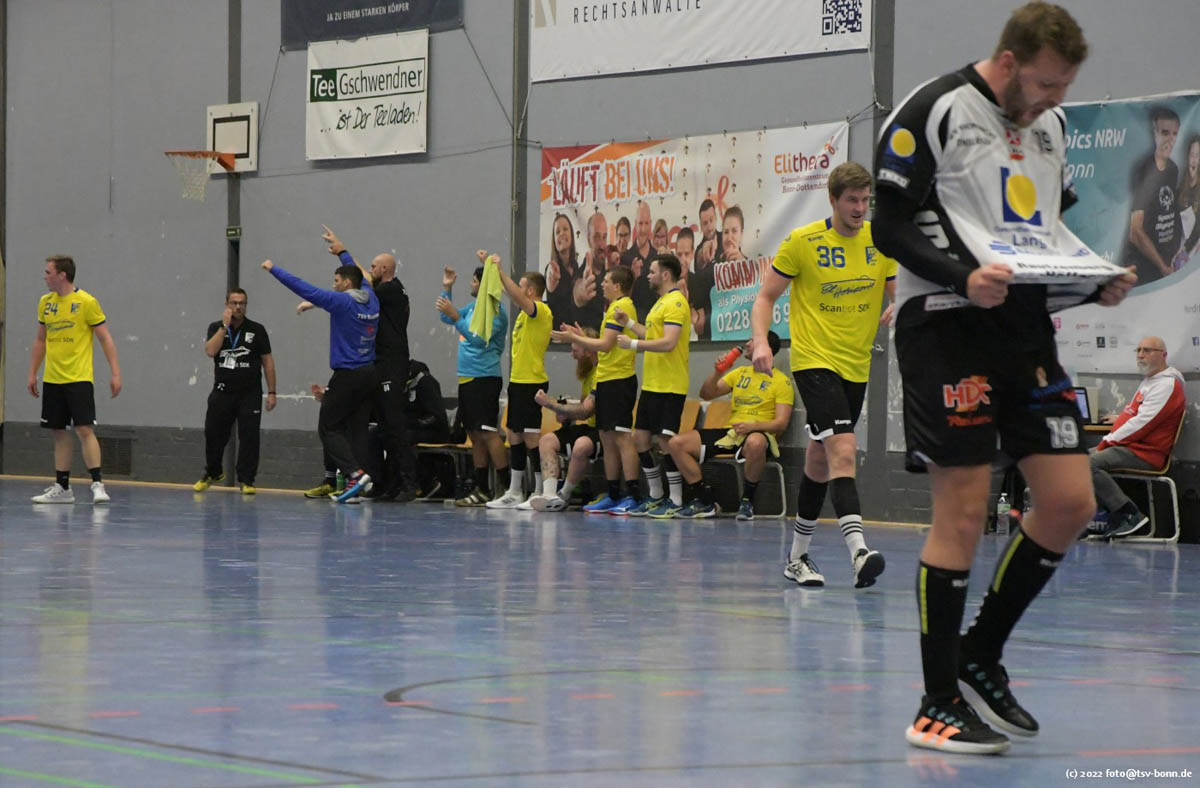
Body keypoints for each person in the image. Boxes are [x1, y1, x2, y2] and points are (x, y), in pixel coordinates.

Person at [869, 2, 1137, 754]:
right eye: (1047, 84)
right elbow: (889, 224)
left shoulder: (1051, 127)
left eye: (1065, 87)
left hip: (1023, 330)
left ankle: (980, 654)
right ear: (1011, 63)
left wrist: (1091, 278)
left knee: (1070, 501)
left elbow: (1042, 232)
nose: (1054, 99)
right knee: (961, 510)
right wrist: (961, 275)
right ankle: (934, 703)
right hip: (946, 324)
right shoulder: (936, 107)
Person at [749, 162, 894, 591]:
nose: (860, 208)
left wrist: (902, 304)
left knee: (818, 459)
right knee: (843, 450)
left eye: (865, 200)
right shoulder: (803, 242)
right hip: (814, 361)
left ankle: (797, 558)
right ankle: (859, 552)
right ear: (833, 199)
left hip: (856, 365)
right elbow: (765, 297)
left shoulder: (880, 242)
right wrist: (760, 342)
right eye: (852, 200)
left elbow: (899, 291)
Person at [261, 257, 379, 503]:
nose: (333, 285)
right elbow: (362, 277)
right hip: (369, 374)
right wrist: (341, 252)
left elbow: (304, 288)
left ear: (347, 283)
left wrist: (274, 269)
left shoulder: (342, 301)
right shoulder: (371, 297)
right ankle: (360, 485)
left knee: (328, 428)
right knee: (356, 429)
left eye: (336, 281)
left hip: (347, 375)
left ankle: (355, 475)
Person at [322, 226, 419, 501]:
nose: (371, 269)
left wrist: (343, 251)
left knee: (395, 425)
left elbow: (362, 280)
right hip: (377, 366)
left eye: (375, 266)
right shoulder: (383, 292)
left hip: (392, 365)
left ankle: (410, 484)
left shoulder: (391, 290)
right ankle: (385, 482)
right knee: (381, 428)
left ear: (385, 269)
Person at [662, 331, 792, 520]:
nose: (747, 344)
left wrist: (753, 426)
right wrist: (717, 372)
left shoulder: (781, 381)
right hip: (732, 432)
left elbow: (781, 423)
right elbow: (706, 394)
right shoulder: (740, 373)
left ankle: (747, 501)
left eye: (752, 341)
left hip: (758, 433)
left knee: (755, 442)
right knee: (676, 443)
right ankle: (704, 500)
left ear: (766, 348)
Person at [28, 255, 122, 504]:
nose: (44, 277)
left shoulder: (86, 302)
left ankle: (98, 484)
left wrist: (115, 373)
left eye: (48, 272)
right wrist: (32, 372)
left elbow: (105, 338)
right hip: (53, 378)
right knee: (59, 431)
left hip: (79, 377)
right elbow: (40, 340)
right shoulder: (45, 303)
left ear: (62, 275)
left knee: (84, 429)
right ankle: (63, 487)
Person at [551, 266, 641, 514]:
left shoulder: (621, 306)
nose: (602, 284)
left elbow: (605, 345)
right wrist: (580, 336)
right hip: (606, 379)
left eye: (607, 281)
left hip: (620, 380)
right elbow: (604, 346)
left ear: (618, 286)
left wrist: (575, 339)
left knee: (622, 438)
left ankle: (633, 495)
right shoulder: (611, 308)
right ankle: (613, 494)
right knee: (607, 438)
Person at [614, 254, 690, 516]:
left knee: (666, 441)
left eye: (652, 271)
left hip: (670, 384)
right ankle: (656, 494)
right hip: (652, 384)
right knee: (641, 438)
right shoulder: (660, 303)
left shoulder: (676, 302)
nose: (647, 275)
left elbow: (669, 342)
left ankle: (676, 499)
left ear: (665, 275)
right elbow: (652, 334)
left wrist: (633, 344)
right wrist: (628, 324)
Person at [1087, 336, 1186, 539]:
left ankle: (1129, 514)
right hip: (1133, 447)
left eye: (1147, 350)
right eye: (1139, 350)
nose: (1140, 355)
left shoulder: (1166, 385)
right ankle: (1104, 516)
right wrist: (1119, 418)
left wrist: (1107, 441)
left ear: (1163, 355)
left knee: (1087, 463)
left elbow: (1142, 424)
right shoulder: (1151, 380)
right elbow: (1138, 414)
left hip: (1146, 453)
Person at [484, 253, 553, 509]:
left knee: (531, 437)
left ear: (531, 291)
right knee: (514, 435)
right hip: (517, 381)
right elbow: (508, 291)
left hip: (532, 382)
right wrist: (491, 270)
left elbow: (514, 294)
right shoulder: (524, 315)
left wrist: (502, 270)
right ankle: (514, 491)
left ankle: (538, 490)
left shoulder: (540, 310)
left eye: (522, 287)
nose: (517, 291)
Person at [437, 262, 510, 506]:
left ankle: (505, 488)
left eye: (475, 281)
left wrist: (457, 316)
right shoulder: (475, 307)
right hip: (467, 377)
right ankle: (482, 489)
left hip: (485, 378)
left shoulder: (496, 312)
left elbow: (478, 339)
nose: (472, 284)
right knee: (474, 434)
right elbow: (446, 316)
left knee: (488, 432)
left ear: (485, 284)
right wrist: (447, 288)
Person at [193, 288, 277, 495]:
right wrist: (224, 326)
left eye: (242, 303)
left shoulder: (257, 330)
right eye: (234, 303)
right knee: (212, 433)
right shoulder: (216, 327)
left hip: (249, 393)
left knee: (249, 437)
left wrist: (272, 392)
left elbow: (267, 361)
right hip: (222, 391)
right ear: (227, 304)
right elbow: (210, 351)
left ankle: (247, 480)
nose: (238, 307)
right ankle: (213, 472)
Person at [527, 329, 601, 512]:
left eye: (575, 350)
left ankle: (564, 495)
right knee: (547, 441)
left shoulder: (601, 373)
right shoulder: (589, 373)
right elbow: (584, 408)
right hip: (589, 426)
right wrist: (566, 413)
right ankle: (549, 494)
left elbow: (585, 412)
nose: (572, 355)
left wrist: (550, 404)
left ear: (588, 351)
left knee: (581, 445)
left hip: (603, 430)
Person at [1122, 107, 1182, 284]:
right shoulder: (1144, 171)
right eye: (1165, 133)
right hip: (1140, 268)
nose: (1170, 140)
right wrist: (1162, 266)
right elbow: (1135, 232)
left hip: (1164, 267)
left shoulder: (1173, 169)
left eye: (1174, 134)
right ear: (1154, 133)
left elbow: (1169, 213)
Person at [544, 213, 583, 331]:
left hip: (575, 334)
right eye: (557, 232)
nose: (562, 233)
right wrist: (551, 281)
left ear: (571, 234)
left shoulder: (576, 267)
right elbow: (550, 281)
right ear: (554, 241)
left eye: (565, 229)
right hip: (558, 335)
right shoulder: (551, 268)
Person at [689, 199, 721, 340]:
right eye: (705, 223)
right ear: (701, 225)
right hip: (709, 319)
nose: (709, 227)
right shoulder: (698, 252)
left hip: (731, 311)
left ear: (716, 218)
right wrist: (705, 253)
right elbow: (701, 259)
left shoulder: (726, 239)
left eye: (711, 220)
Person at [621, 201, 657, 318]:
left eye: (646, 223)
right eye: (640, 223)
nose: (643, 229)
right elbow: (621, 298)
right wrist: (632, 276)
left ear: (651, 224)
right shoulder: (625, 258)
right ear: (635, 224)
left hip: (656, 322)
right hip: (633, 322)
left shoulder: (658, 257)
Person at [1171, 134, 1200, 270]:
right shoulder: (1180, 190)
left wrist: (1186, 248)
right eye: (1192, 155)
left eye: (1198, 156)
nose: (1194, 160)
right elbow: (1176, 225)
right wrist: (1178, 251)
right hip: (1182, 253)